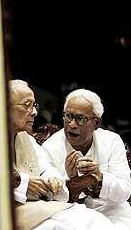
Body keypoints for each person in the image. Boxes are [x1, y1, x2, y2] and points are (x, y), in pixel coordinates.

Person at [9, 80, 117, 230]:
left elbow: (46, 168)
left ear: (97, 122)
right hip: (7, 210)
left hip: (41, 206)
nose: (34, 112)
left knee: (94, 220)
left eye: (34, 105)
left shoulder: (27, 139)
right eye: (27, 105)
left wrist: (54, 179)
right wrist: (25, 183)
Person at [41, 88, 131, 230]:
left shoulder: (112, 141)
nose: (71, 124)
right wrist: (72, 181)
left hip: (113, 211)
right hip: (70, 214)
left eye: (80, 119)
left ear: (97, 123)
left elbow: (124, 192)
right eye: (68, 116)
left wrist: (100, 177)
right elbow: (49, 197)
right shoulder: (49, 147)